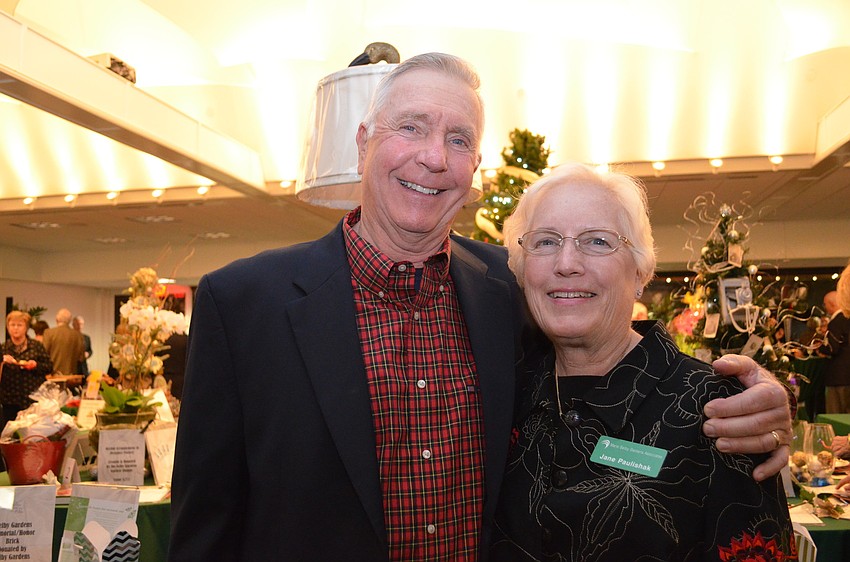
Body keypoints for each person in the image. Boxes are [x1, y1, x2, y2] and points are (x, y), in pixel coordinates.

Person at [170, 53, 792, 561]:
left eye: (458, 139)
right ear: (363, 143)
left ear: (474, 168)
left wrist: (763, 401)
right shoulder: (244, 305)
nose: (434, 156)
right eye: (410, 127)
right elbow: (204, 528)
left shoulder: (511, 291)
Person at [490, 163, 793, 560]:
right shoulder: (507, 393)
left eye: (597, 241)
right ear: (521, 270)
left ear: (640, 270)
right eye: (545, 242)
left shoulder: (719, 410)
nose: (566, 262)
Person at [1, 311, 53, 427]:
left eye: (19, 325)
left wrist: (36, 365)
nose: (16, 328)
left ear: (26, 327)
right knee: (10, 436)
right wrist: (2, 361)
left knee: (32, 435)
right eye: (12, 325)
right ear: (8, 327)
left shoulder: (36, 346)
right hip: (10, 400)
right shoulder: (3, 348)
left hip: (32, 399)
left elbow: (49, 367)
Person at [822, 284, 850, 413]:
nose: (825, 308)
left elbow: (833, 348)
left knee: (836, 412)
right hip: (847, 375)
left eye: (825, 304)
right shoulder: (847, 319)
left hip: (838, 376)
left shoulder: (835, 322)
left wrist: (820, 349)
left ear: (831, 304)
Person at [42, 308, 85, 377]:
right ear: (69, 321)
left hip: (53, 376)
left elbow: (43, 354)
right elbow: (81, 358)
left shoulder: (48, 333)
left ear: (57, 319)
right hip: (71, 377)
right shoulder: (78, 335)